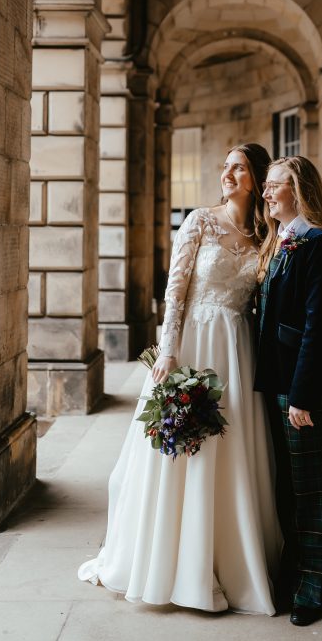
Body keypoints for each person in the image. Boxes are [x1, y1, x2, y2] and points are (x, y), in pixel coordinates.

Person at [79, 143, 280, 615]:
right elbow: (176, 289)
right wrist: (168, 351)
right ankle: (176, 564)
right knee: (186, 447)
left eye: (239, 167)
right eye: (225, 165)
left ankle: (230, 557)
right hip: (193, 344)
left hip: (239, 350)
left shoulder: (263, 235)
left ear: (256, 179)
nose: (227, 173)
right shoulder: (198, 221)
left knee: (233, 452)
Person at [254, 155, 322, 626]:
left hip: (308, 389)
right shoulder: (281, 241)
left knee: (313, 491)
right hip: (278, 386)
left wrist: (301, 396)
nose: (266, 193)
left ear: (298, 189)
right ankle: (293, 575)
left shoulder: (319, 244)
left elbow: (318, 327)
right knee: (287, 491)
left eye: (275, 185)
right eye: (268, 186)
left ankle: (314, 588)